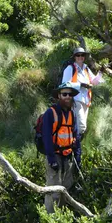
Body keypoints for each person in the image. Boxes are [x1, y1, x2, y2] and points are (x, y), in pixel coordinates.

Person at [42, 81, 81, 214]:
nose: (68, 97)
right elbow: (47, 138)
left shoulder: (72, 114)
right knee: (53, 190)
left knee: (66, 189)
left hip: (68, 157)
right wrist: (52, 159)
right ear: (59, 96)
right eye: (64, 94)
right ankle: (50, 219)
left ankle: (62, 218)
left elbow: (76, 137)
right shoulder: (50, 113)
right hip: (55, 156)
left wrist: (78, 157)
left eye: (70, 94)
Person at [61, 47, 102, 141]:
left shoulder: (86, 68)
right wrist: (80, 85)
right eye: (78, 55)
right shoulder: (70, 68)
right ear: (74, 57)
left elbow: (94, 81)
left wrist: (101, 72)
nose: (80, 57)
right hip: (75, 100)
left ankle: (72, 145)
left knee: (79, 126)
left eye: (82, 55)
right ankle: (74, 145)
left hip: (86, 101)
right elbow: (65, 84)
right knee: (81, 126)